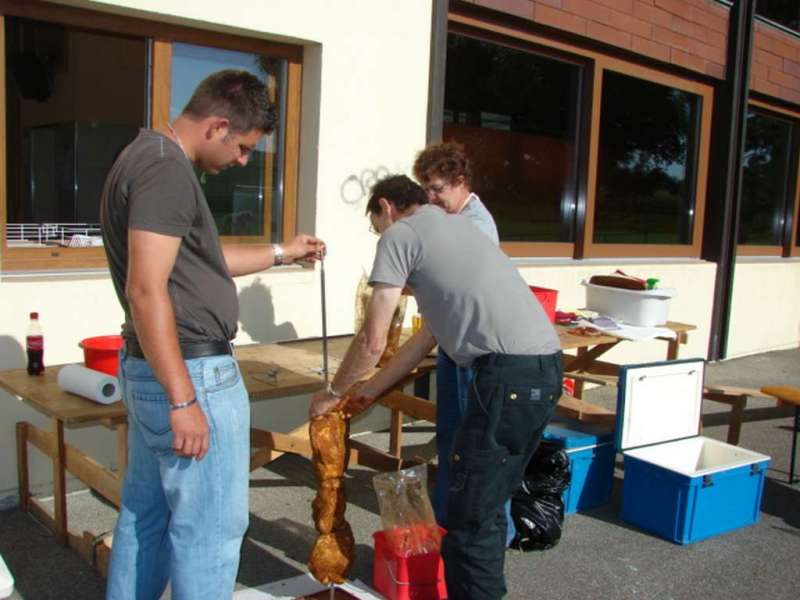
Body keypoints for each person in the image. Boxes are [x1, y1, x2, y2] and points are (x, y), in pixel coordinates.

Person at [100, 69, 324, 600]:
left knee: (145, 519)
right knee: (209, 534)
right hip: (190, 372)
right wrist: (183, 399)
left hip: (155, 367)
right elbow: (146, 289)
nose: (244, 161)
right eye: (243, 147)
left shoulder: (145, 156)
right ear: (219, 125)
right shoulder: (166, 171)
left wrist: (282, 252)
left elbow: (202, 260)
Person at [309, 175, 562, 600]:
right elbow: (424, 340)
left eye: (377, 225)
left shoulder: (402, 234)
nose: (381, 235)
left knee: (467, 520)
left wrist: (333, 392)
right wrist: (371, 390)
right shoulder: (456, 228)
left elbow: (374, 339)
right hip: (543, 371)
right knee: (486, 506)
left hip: (505, 379)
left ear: (387, 207)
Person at [412, 142, 517, 545]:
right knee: (451, 438)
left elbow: (457, 284)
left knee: (470, 445)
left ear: (460, 182)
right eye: (426, 189)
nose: (431, 197)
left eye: (437, 188)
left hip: (475, 352)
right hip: (456, 345)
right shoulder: (452, 218)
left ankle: (486, 534)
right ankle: (451, 524)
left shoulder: (474, 224)